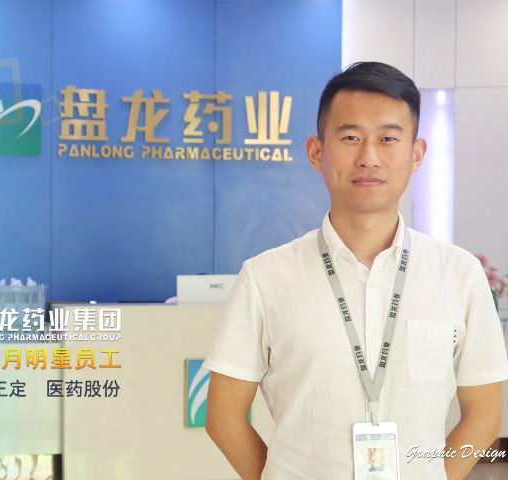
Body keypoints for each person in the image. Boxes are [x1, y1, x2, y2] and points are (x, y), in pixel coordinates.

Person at [203, 61, 508, 480]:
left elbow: (484, 418)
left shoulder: (459, 275)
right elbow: (223, 417)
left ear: (416, 154)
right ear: (316, 152)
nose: (369, 158)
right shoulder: (264, 277)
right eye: (350, 137)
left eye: (388, 138)